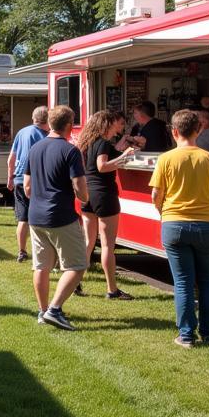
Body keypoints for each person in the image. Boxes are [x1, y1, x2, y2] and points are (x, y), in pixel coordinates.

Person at [150, 109, 209, 347]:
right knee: (206, 281)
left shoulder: (166, 159)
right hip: (206, 224)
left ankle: (186, 335)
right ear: (199, 130)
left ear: (174, 132)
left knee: (183, 282)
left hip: (174, 223)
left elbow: (156, 194)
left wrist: (163, 211)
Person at [24, 105, 89, 331]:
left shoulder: (35, 148)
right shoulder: (71, 151)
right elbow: (80, 187)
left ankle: (43, 311)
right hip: (60, 215)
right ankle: (54, 309)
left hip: (36, 215)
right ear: (70, 126)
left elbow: (27, 186)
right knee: (78, 265)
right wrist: (85, 197)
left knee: (41, 265)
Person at [77, 109, 137, 300]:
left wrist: (121, 149)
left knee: (88, 242)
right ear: (106, 124)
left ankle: (76, 282)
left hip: (88, 194)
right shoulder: (103, 142)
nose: (116, 125)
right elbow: (103, 166)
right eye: (113, 122)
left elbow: (100, 161)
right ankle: (112, 289)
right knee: (107, 246)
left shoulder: (88, 142)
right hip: (104, 195)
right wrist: (125, 156)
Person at [8, 107, 49, 262]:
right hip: (37, 180)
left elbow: (11, 158)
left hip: (19, 179)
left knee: (23, 218)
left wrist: (10, 177)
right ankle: (43, 253)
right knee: (41, 219)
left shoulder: (22, 132)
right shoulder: (46, 136)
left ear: (33, 118)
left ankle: (22, 251)